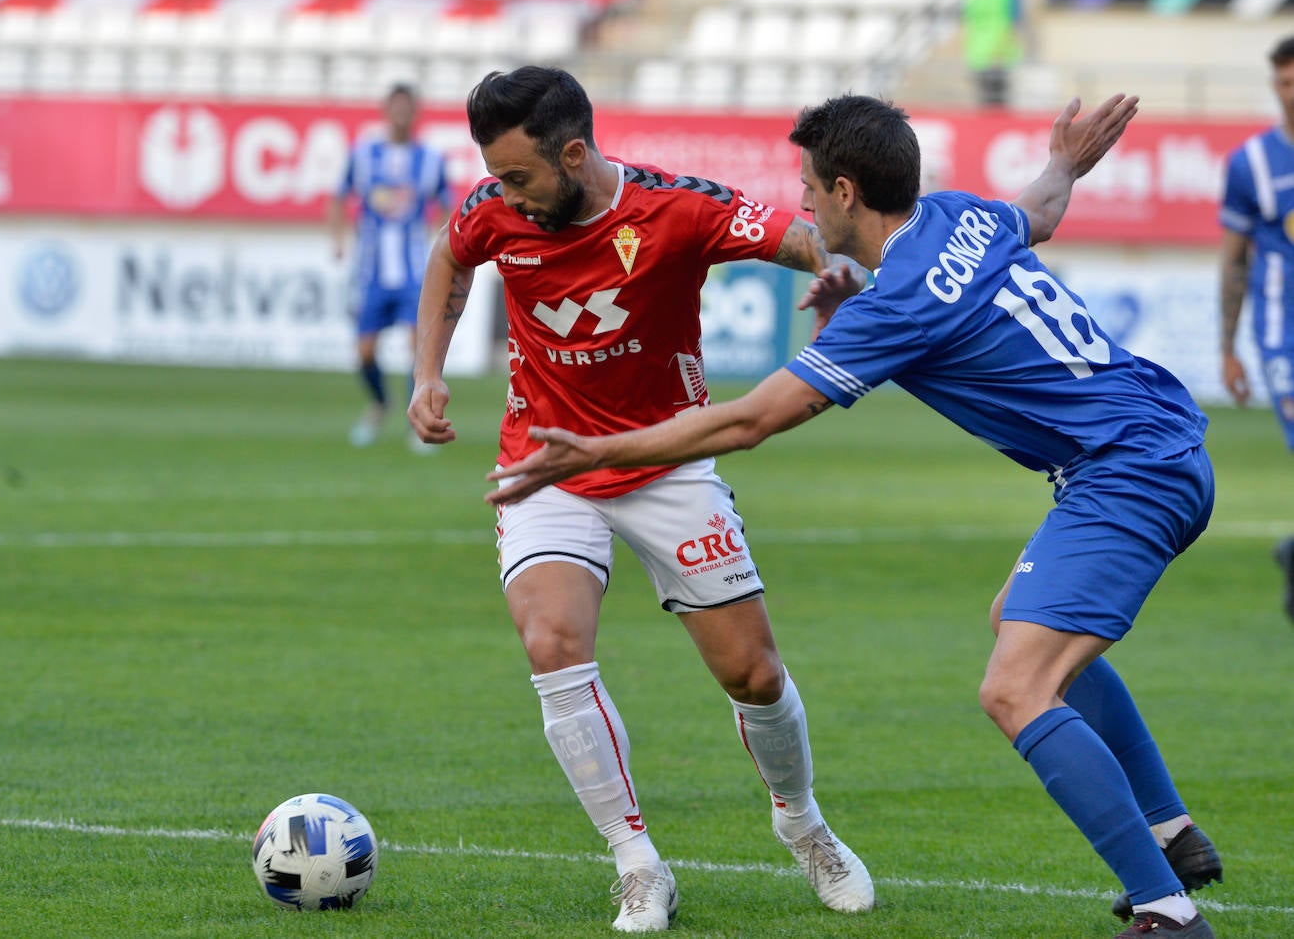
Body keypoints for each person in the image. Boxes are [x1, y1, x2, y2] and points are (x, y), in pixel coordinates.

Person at [487, 93, 1225, 939]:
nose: (798, 202)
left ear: (844, 191)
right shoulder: (963, 217)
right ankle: (1170, 832)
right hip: (1160, 441)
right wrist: (1063, 161)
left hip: (1126, 473)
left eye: (807, 185)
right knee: (1025, 637)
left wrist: (597, 451)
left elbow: (749, 420)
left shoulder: (897, 303)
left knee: (1016, 689)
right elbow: (1041, 209)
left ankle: (1168, 914)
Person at [408, 66, 875, 932]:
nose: (503, 195)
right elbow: (448, 257)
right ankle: (637, 863)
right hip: (548, 464)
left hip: (669, 461)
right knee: (552, 642)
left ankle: (803, 824)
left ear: (575, 154)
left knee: (754, 673)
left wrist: (835, 270)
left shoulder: (675, 210)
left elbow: (802, 237)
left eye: (519, 176)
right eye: (496, 177)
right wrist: (427, 372)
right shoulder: (491, 210)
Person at [328, 83, 452, 451]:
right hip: (372, 273)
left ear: (415, 112)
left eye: (407, 108)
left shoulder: (430, 159)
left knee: (418, 349)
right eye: (395, 107)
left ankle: (419, 424)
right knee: (365, 352)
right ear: (386, 110)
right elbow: (338, 197)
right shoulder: (363, 155)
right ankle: (381, 403)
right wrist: (338, 240)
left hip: (414, 272)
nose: (401, 114)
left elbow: (447, 204)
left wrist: (439, 243)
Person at [1217, 34, 1294, 623]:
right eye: (1283, 83)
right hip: (1282, 334)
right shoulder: (1251, 164)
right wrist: (1228, 347)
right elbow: (1235, 260)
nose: (1289, 94)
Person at [962, 0, 1024, 108]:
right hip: (997, 56)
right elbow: (1015, 25)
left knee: (987, 104)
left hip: (981, 55)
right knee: (997, 105)